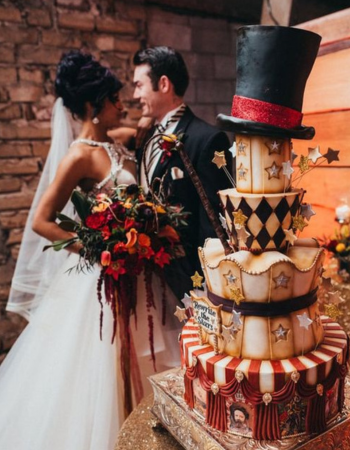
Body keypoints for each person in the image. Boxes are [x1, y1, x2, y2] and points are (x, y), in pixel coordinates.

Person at [0, 50, 180, 450]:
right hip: (103, 274)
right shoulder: (78, 155)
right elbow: (42, 220)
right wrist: (97, 245)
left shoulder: (115, 141)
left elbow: (144, 127)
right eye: (114, 99)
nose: (122, 104)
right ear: (91, 107)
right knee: (100, 370)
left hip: (137, 271)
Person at [132, 46, 232, 300]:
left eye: (139, 85)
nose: (135, 95)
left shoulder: (206, 139)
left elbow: (212, 223)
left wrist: (204, 287)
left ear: (163, 84)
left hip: (187, 281)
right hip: (148, 274)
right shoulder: (145, 137)